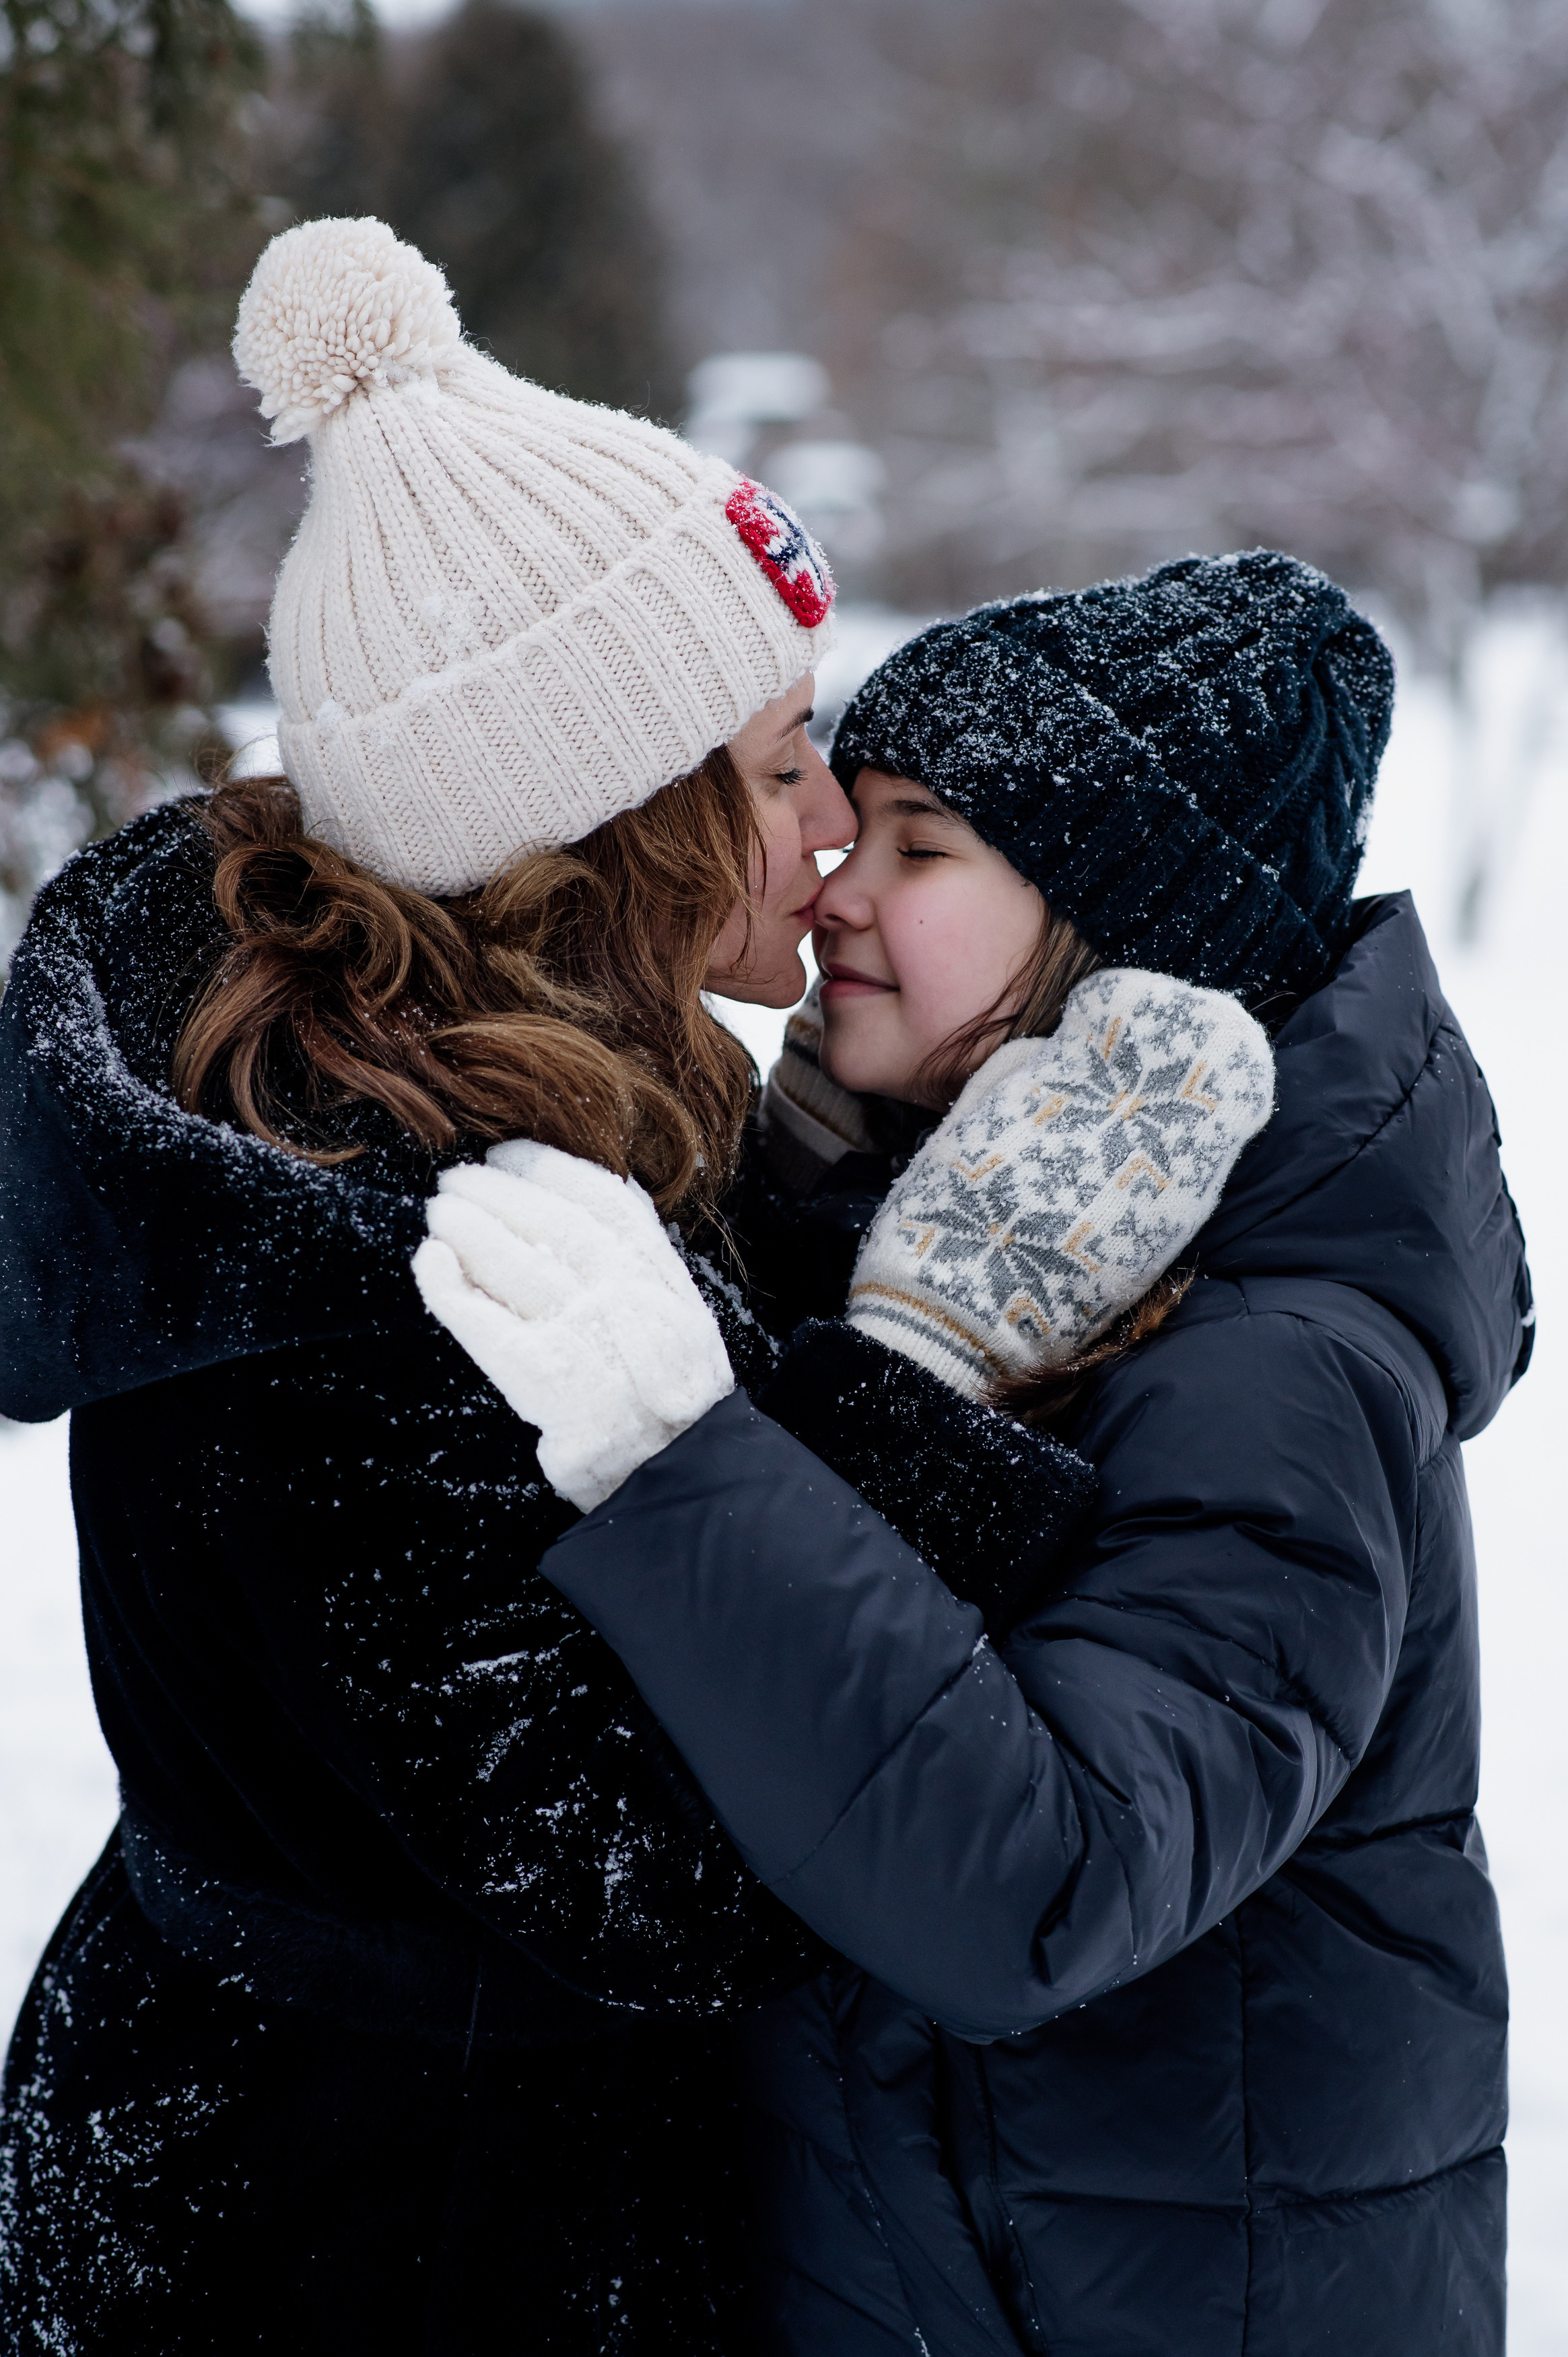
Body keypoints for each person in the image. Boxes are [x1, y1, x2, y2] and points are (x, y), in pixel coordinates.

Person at [425, 556, 1532, 2354]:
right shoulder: (925, 1249)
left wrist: (686, 1462)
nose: (834, 888)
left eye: (921, 846)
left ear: (1118, 930)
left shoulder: (1276, 1371)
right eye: (846, 822)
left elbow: (1041, 1885)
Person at [0, 214, 874, 2352]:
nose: (836, 815)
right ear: (619, 826)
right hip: (352, 2238)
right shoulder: (372, 1280)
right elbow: (662, 1886)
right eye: (779, 764)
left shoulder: (551, 1120)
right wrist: (945, 1422)